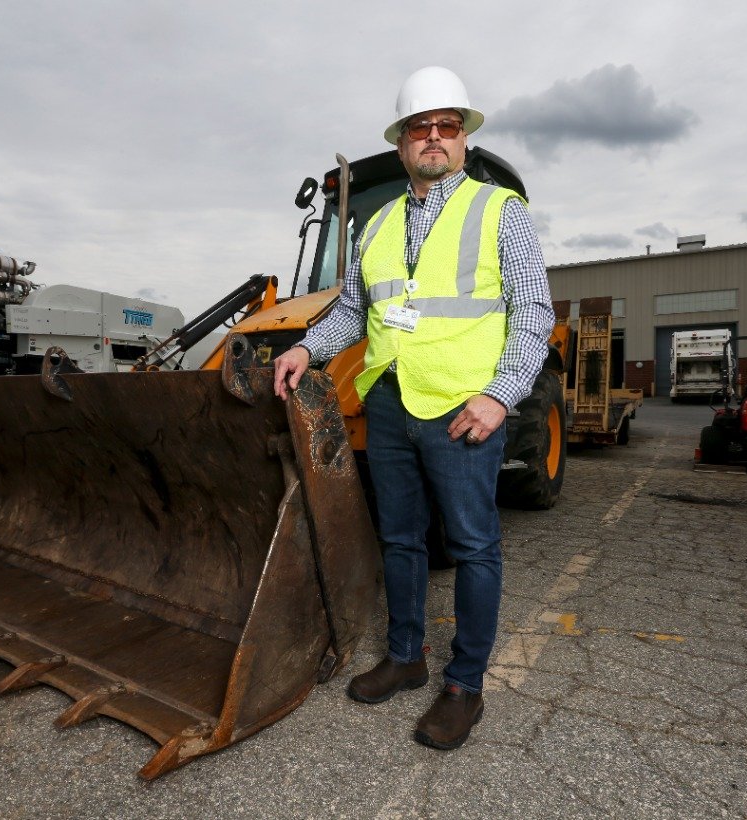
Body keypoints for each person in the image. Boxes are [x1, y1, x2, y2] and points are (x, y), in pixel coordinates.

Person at [272, 66, 555, 750]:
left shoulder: (499, 213)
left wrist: (501, 394)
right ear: (402, 143)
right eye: (419, 128)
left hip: (464, 407)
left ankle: (465, 687)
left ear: (463, 140)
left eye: (446, 126)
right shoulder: (376, 222)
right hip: (391, 403)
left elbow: (534, 312)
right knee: (399, 538)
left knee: (473, 546)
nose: (433, 137)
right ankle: (405, 657)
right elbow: (352, 312)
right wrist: (306, 351)